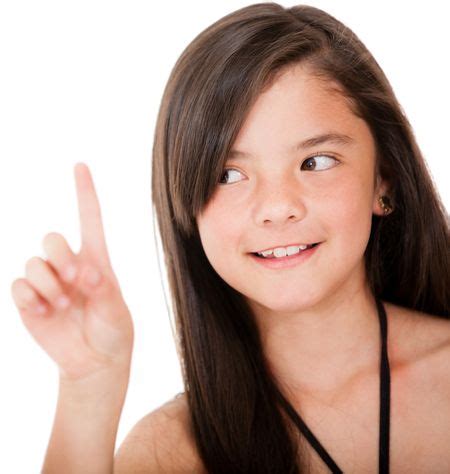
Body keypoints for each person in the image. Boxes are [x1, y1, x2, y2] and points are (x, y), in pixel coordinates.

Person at [11, 3, 449, 473]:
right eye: (229, 173)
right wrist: (88, 390)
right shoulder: (169, 450)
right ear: (187, 206)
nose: (278, 206)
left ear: (383, 180)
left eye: (316, 161)